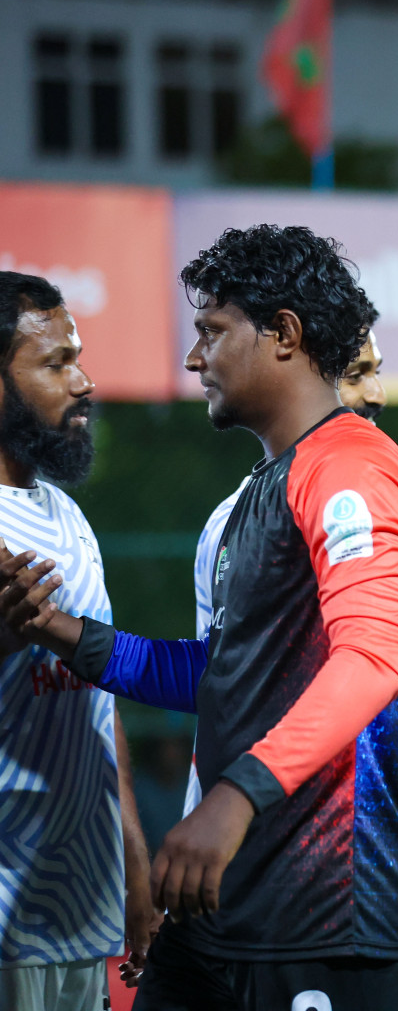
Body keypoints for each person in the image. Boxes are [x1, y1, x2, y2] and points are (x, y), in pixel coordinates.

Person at [0, 226, 398, 1011]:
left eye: (212, 332)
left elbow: (372, 659)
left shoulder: (352, 464)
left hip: (325, 914)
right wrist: (55, 627)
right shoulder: (260, 493)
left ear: (285, 335)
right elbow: (222, 674)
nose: (195, 359)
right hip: (224, 906)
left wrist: (232, 799)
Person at [0, 271, 158, 1009]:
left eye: (78, 357)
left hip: (78, 909)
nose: (85, 381)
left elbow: (98, 702)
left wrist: (133, 861)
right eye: (56, 363)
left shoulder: (65, 515)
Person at [182, 328, 388, 813]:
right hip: (258, 832)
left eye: (378, 372)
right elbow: (217, 682)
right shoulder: (230, 522)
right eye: (358, 376)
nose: (378, 395)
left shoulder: (370, 492)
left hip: (347, 834)